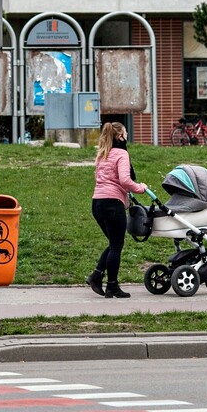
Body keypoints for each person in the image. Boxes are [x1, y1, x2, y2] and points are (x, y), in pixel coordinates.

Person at [86, 122, 148, 299]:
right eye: (126, 133)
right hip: (112, 203)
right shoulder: (122, 153)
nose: (127, 136)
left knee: (114, 243)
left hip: (97, 203)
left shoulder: (102, 154)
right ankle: (111, 285)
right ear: (120, 136)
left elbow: (99, 178)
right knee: (116, 245)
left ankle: (97, 276)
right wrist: (140, 188)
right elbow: (125, 180)